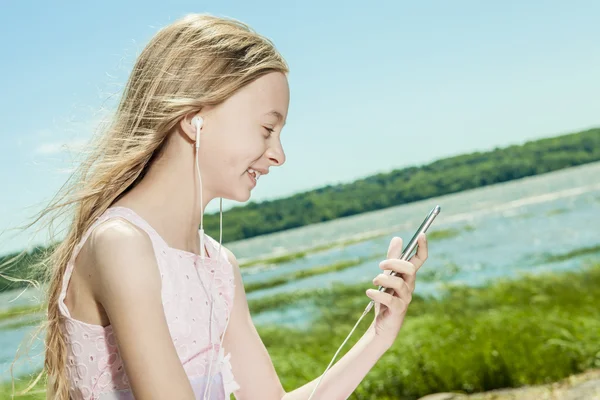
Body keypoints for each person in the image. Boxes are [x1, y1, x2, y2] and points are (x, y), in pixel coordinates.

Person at [9, 12, 428, 400]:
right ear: (195, 119)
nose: (278, 154)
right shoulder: (120, 244)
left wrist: (379, 334)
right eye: (267, 128)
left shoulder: (218, 264)